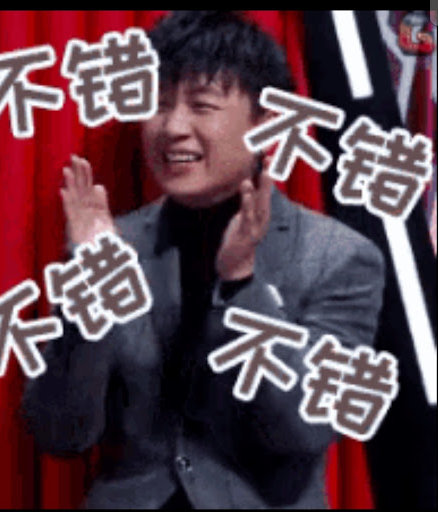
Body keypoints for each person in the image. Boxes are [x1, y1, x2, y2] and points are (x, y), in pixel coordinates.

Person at [21, 11, 385, 509]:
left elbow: (304, 427)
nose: (172, 127)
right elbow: (60, 433)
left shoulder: (338, 256)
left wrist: (240, 285)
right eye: (158, 104)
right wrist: (92, 286)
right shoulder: (113, 243)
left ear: (266, 123)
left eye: (202, 106)